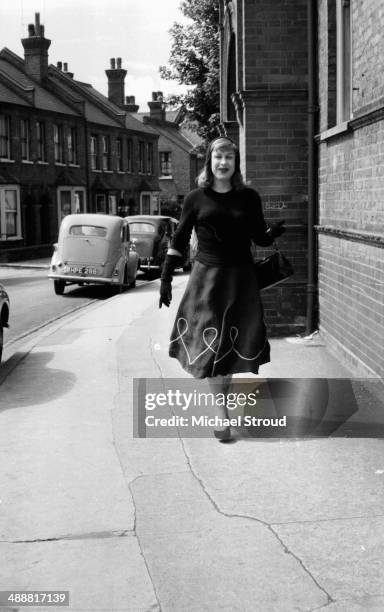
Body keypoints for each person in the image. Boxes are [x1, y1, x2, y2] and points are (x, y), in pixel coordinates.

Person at [159, 136, 286, 441]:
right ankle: (221, 415)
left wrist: (271, 234)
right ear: (210, 161)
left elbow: (258, 237)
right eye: (218, 157)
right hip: (207, 281)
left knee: (228, 350)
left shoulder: (249, 198)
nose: (223, 162)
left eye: (229, 157)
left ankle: (222, 406)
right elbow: (178, 240)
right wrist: (165, 277)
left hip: (240, 280)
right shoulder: (195, 198)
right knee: (211, 347)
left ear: (235, 163)